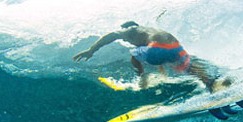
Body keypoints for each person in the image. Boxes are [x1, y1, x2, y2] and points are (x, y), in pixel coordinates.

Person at [73, 21, 228, 91]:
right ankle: (212, 84)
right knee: (189, 68)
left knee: (133, 55)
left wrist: (91, 50)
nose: (126, 40)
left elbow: (112, 35)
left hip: (158, 47)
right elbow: (161, 55)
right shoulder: (149, 31)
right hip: (175, 46)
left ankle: (142, 80)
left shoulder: (130, 30)